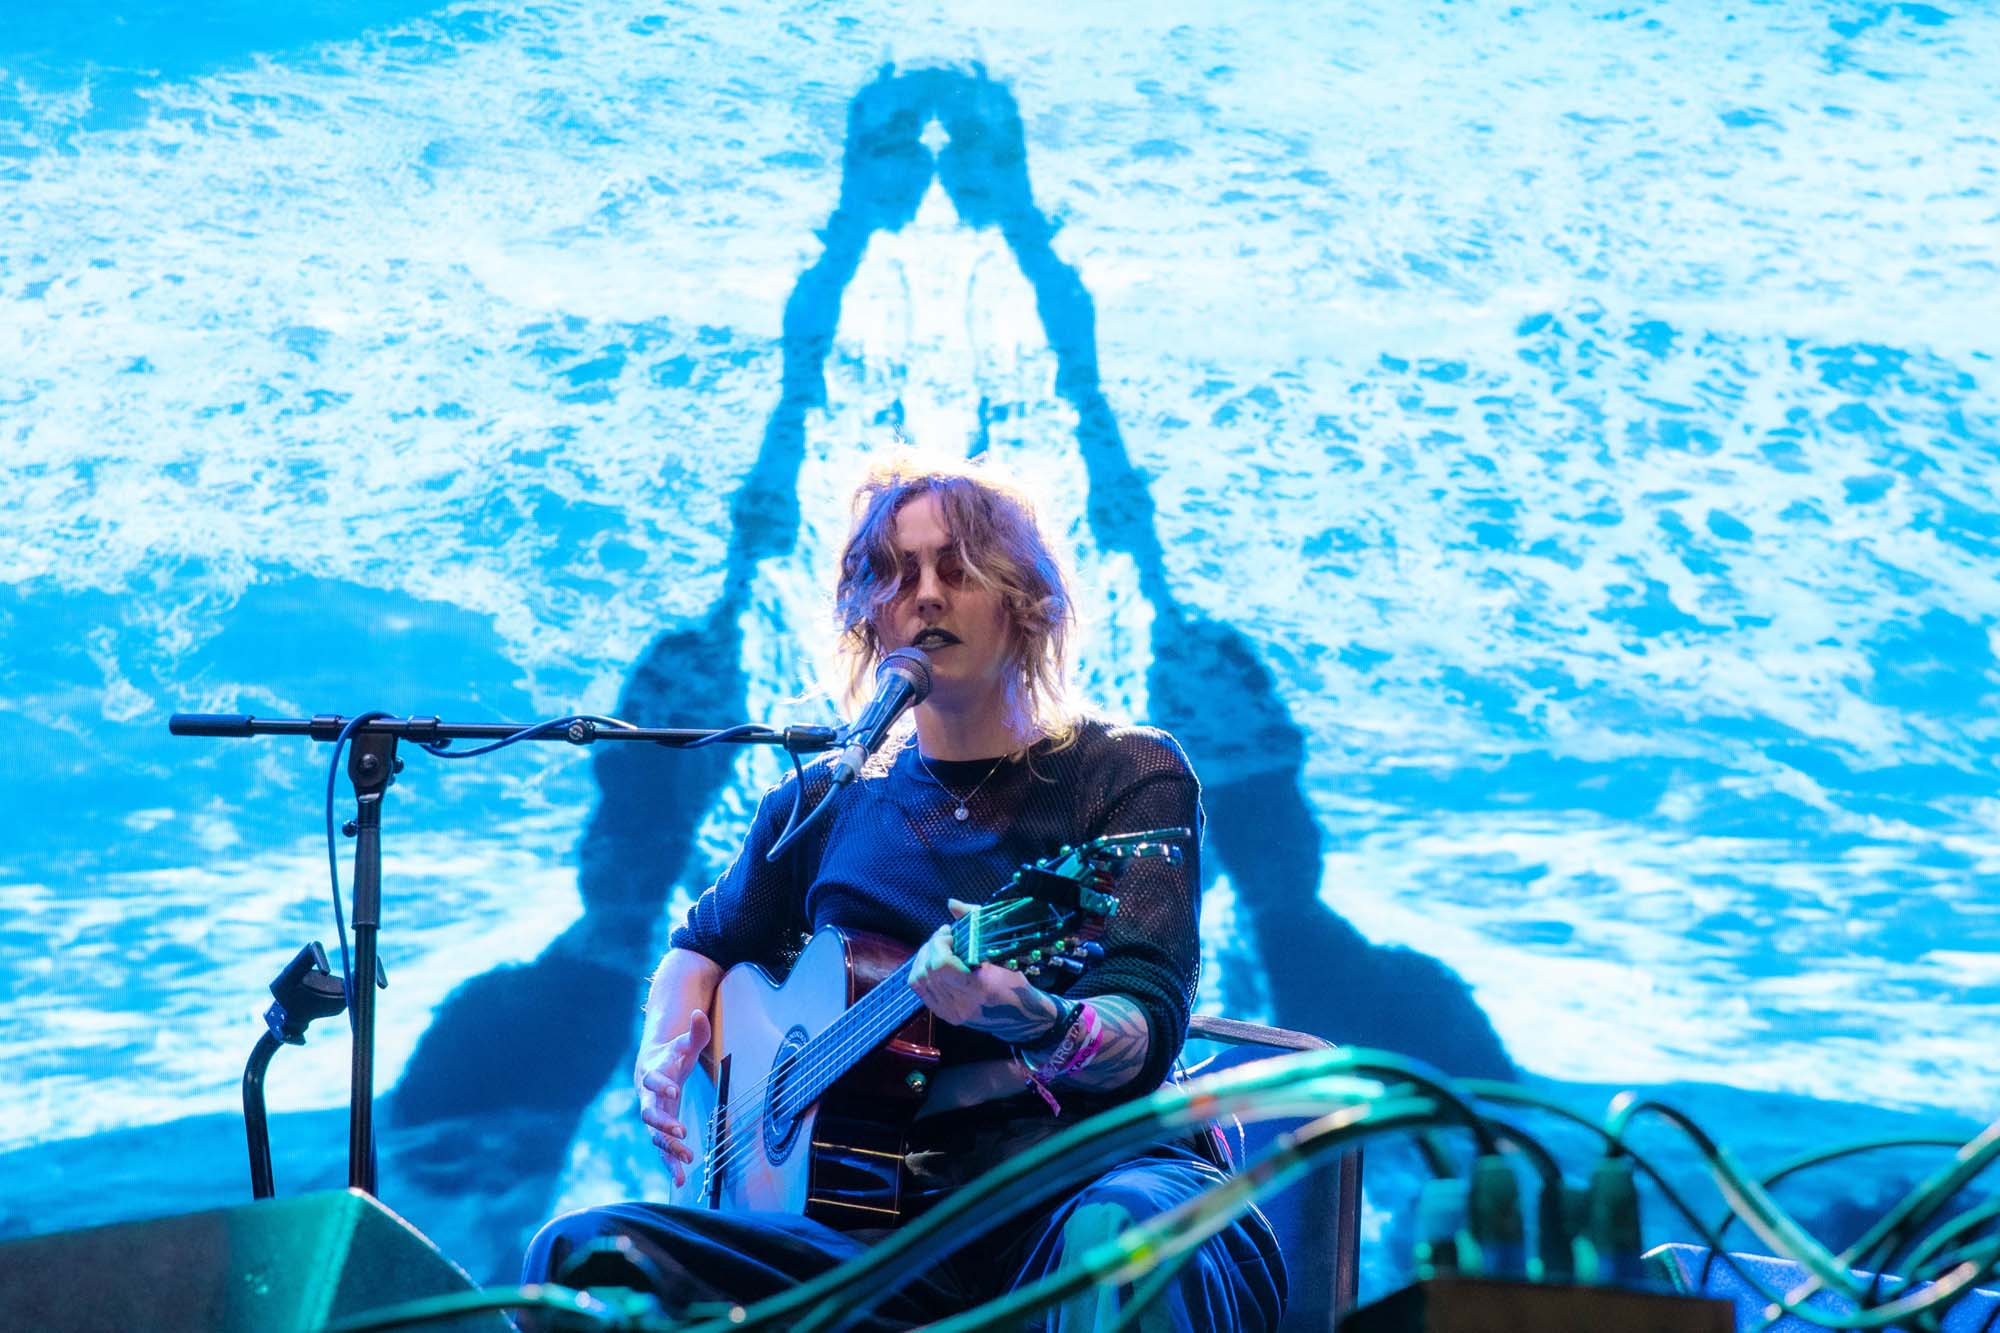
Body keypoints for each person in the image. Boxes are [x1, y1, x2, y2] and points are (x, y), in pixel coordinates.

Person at [522, 462, 1285, 1331]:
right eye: (894, 573)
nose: (924, 595)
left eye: (957, 568)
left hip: (1077, 1183)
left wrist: (1038, 1020)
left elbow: (1143, 1017)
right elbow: (701, 945)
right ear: (868, 614)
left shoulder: (1123, 771)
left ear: (1025, 601)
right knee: (582, 1254)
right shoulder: (826, 797)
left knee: (1126, 1236)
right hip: (871, 1239)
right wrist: (665, 1050)